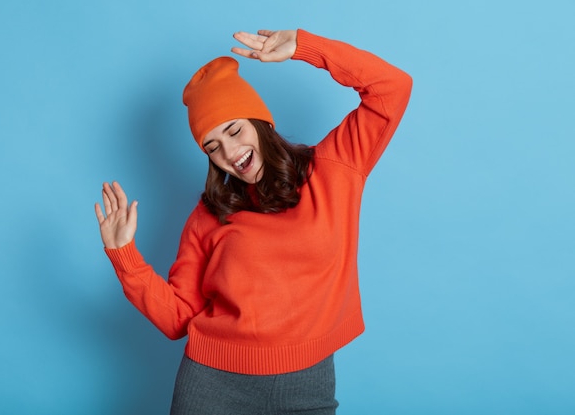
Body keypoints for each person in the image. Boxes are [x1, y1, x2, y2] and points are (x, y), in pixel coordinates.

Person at [95, 28, 412, 414]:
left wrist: (306, 48)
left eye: (234, 130)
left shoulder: (333, 169)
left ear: (260, 122)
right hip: (212, 385)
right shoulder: (209, 215)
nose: (230, 152)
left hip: (308, 385)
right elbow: (178, 318)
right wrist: (123, 255)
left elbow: (392, 88)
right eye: (213, 147)